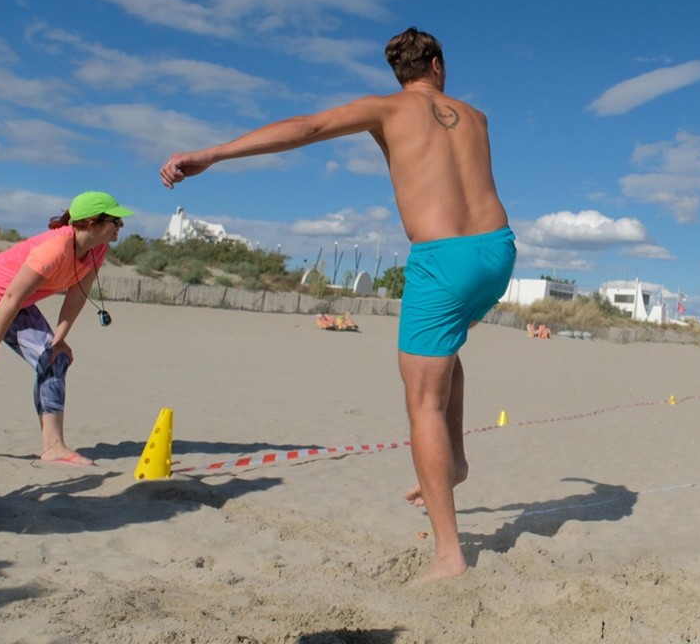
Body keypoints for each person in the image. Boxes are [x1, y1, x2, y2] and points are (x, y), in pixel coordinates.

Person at [160, 28, 515, 581]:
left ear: (399, 73)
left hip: (442, 257)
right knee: (446, 343)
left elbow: (308, 128)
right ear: (439, 65)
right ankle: (456, 458)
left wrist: (214, 154)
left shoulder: (386, 107)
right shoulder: (476, 116)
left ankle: (448, 555)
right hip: (497, 251)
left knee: (421, 402)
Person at [0, 190, 133, 466]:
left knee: (53, 358)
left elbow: (77, 296)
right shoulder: (54, 249)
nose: (120, 227)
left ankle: (54, 447)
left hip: (14, 302)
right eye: (114, 221)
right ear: (90, 222)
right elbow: (11, 296)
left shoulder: (97, 249)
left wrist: (59, 340)